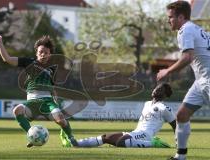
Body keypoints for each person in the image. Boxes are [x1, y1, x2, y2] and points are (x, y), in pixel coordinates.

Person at [0, 33, 77, 148]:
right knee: (17, 110)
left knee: (61, 120)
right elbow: (7, 59)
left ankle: (71, 138)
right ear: (36, 52)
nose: (43, 54)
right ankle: (31, 135)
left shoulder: (52, 69)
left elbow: (52, 87)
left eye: (46, 53)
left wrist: (56, 99)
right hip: (31, 102)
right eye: (40, 52)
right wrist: (0, 42)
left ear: (50, 54)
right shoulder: (29, 62)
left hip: (47, 102)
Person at [157, 1, 210, 160]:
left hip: (208, 80)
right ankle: (180, 156)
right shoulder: (196, 29)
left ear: (181, 17)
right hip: (201, 81)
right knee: (182, 115)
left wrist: (167, 71)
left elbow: (187, 57)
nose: (168, 20)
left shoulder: (185, 30)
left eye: (170, 17)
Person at [74, 83, 176, 148]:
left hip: (146, 135)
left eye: (160, 89)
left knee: (121, 142)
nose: (156, 90)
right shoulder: (147, 103)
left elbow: (176, 126)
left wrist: (179, 144)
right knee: (105, 137)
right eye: (156, 88)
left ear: (165, 95)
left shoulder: (164, 108)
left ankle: (154, 144)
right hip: (136, 133)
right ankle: (76, 143)